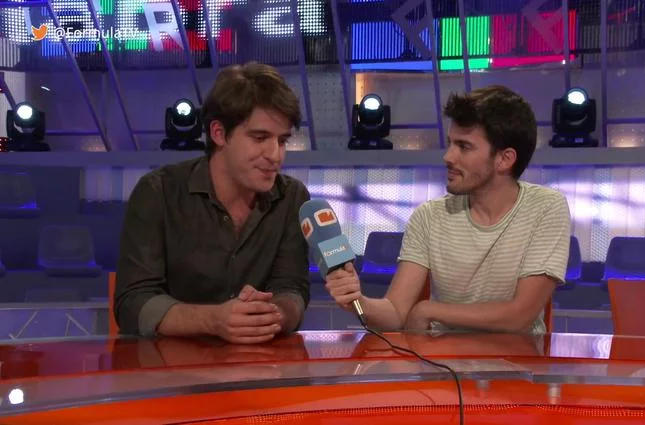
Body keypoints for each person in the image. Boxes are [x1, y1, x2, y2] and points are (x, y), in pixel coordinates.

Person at [326, 85, 571, 335]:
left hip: (520, 356)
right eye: (451, 143)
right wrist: (357, 301)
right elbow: (396, 313)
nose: (448, 156)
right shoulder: (429, 216)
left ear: (504, 159)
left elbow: (519, 315)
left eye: (464, 146)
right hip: (444, 356)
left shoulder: (546, 208)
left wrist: (430, 310)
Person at [115, 62, 311, 344]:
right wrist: (214, 320)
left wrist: (273, 314)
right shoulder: (158, 192)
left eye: (282, 141)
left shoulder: (292, 198)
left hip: (258, 362)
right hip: (169, 363)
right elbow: (133, 302)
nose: (275, 155)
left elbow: (292, 288)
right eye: (260, 138)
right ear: (219, 133)